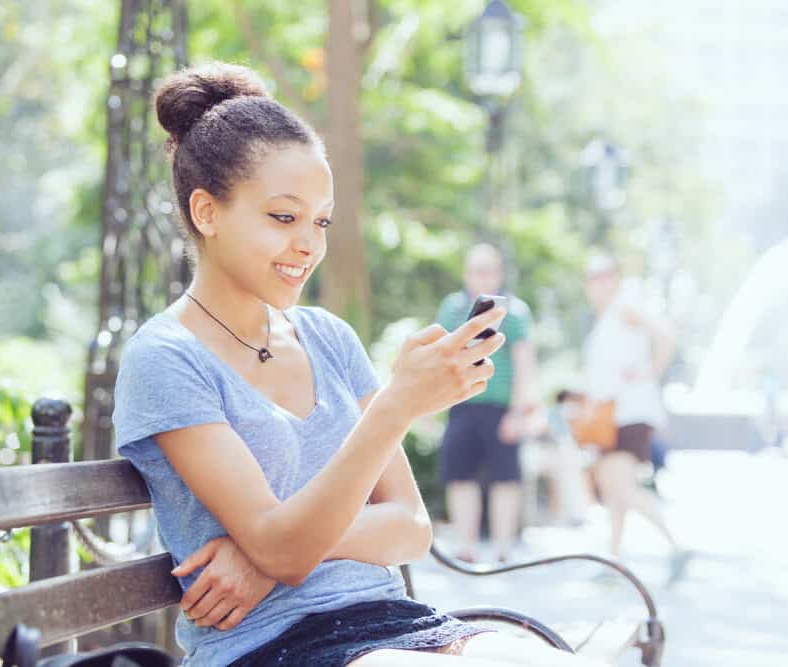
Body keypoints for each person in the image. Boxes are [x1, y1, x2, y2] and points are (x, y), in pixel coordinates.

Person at [112, 62, 606, 666]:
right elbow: (286, 547)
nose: (310, 244)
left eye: (321, 221)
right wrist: (395, 407)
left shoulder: (326, 336)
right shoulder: (166, 360)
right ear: (207, 212)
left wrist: (267, 554)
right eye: (284, 217)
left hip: (398, 623)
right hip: (271, 647)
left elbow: (410, 527)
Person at [581, 254, 688, 580]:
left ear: (614, 278)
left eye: (604, 275)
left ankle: (676, 546)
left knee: (623, 489)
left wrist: (649, 372)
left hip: (629, 412)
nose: (598, 283)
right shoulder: (606, 319)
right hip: (612, 415)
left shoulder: (625, 307)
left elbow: (666, 333)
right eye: (592, 277)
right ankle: (614, 562)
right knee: (615, 491)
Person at [435, 244, 537, 563]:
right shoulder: (452, 308)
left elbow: (524, 363)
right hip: (461, 404)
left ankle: (502, 548)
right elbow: (441, 353)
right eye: (478, 269)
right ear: (467, 273)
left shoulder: (516, 312)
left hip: (501, 407)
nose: (484, 276)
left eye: (490, 269)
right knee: (459, 475)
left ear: (499, 273)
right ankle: (465, 546)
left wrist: (518, 412)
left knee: (505, 478)